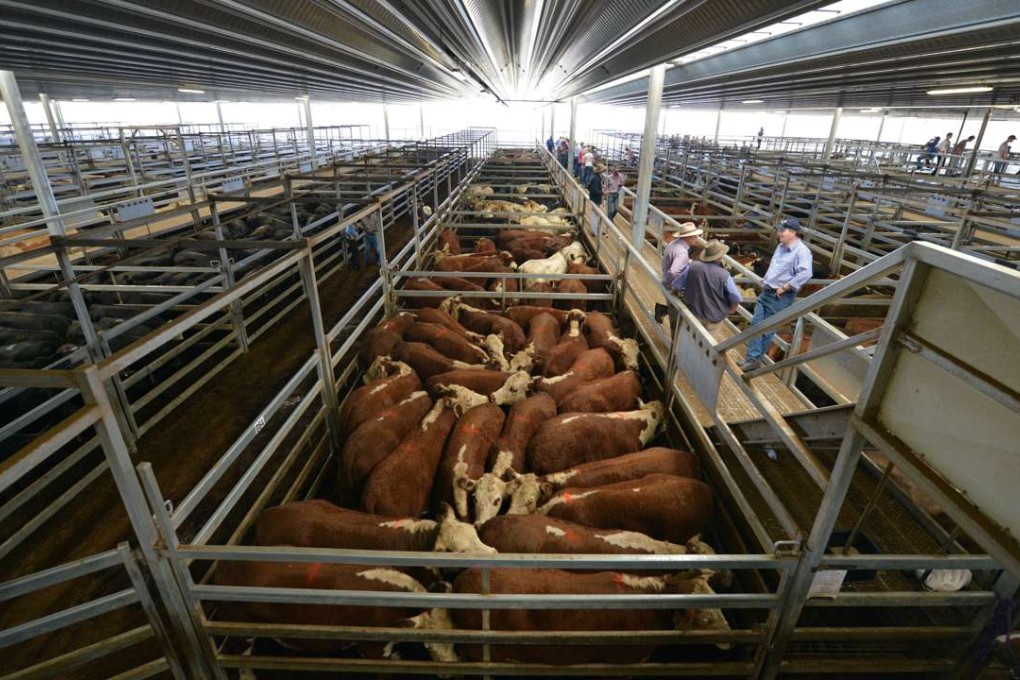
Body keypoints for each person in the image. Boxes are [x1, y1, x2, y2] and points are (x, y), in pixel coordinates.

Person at [739, 217, 813, 372]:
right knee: (756, 323)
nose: (779, 233)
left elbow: (806, 273)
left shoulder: (802, 252)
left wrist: (786, 287)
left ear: (793, 232)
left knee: (765, 328)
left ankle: (753, 360)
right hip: (767, 290)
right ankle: (753, 359)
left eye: (782, 230)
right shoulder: (781, 247)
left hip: (780, 296)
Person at [674, 240, 742, 336]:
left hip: (693, 313)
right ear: (720, 256)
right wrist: (732, 309)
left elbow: (677, 285)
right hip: (714, 318)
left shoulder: (693, 266)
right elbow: (736, 296)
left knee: (688, 339)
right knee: (707, 345)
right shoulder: (725, 275)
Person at [654, 221, 703, 325]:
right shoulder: (682, 252)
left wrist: (690, 263)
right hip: (673, 285)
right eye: (694, 236)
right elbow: (674, 272)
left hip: (667, 280)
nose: (696, 238)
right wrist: (675, 287)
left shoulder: (673, 244)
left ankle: (664, 310)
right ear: (688, 237)